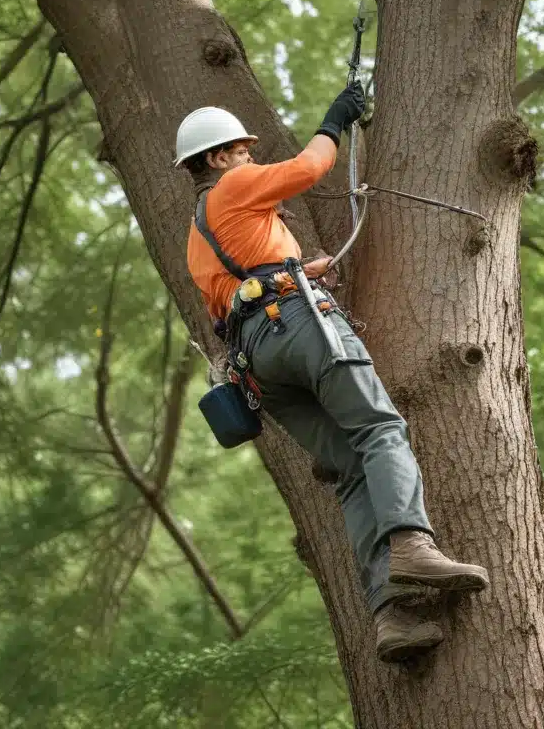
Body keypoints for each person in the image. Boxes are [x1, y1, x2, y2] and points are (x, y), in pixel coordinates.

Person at [176, 84, 489, 662]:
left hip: (260, 364)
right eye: (242, 150)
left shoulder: (198, 234)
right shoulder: (236, 184)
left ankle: (392, 613)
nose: (249, 156)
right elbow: (311, 166)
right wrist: (336, 118)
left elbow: (236, 294)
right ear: (218, 157)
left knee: (348, 470)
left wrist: (303, 269)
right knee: (380, 429)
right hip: (299, 328)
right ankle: (412, 542)